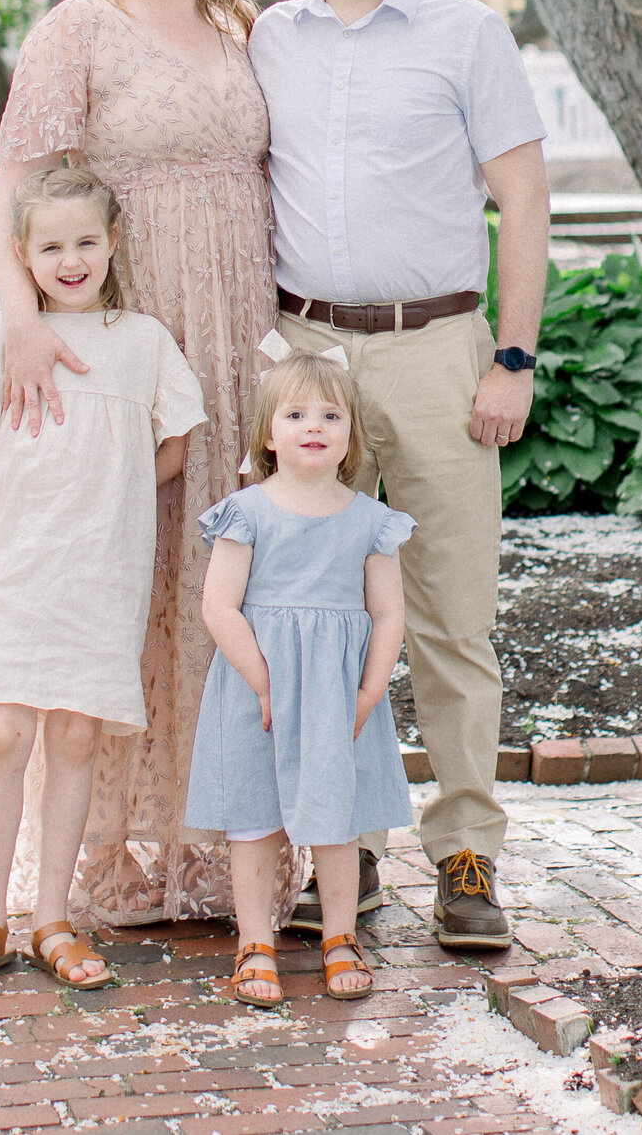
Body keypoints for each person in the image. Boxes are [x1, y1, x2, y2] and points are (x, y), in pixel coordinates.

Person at [0, 0, 296, 926]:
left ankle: (216, 843)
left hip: (233, 331)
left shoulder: (243, 27)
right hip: (121, 329)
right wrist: (23, 322)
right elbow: (15, 191)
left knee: (224, 574)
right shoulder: (78, 30)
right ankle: (114, 850)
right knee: (127, 571)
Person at [247, 0, 550, 950]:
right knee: (317, 615)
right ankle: (345, 853)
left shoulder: (466, 35)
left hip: (435, 351)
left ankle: (466, 851)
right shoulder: (270, 36)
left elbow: (522, 200)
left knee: (450, 618)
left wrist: (510, 359)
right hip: (306, 357)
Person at [0, 168, 204, 992]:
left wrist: (110, 492)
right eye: (51, 246)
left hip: (101, 567)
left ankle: (52, 915)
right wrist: (29, 483)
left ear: (113, 244)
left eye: (87, 241)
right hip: (18, 562)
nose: (71, 259)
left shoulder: (142, 339)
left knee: (77, 732)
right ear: (24, 255)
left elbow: (177, 445)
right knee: (6, 729)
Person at [187, 341, 414, 1008]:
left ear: (351, 436)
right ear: (267, 432)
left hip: (338, 696)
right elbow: (219, 604)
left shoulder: (371, 520)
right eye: (295, 414)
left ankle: (340, 935)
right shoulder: (248, 510)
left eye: (330, 415)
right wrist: (261, 677)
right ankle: (255, 941)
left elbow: (388, 613)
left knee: (335, 819)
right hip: (256, 690)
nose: (313, 426)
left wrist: (370, 690)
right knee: (253, 818)